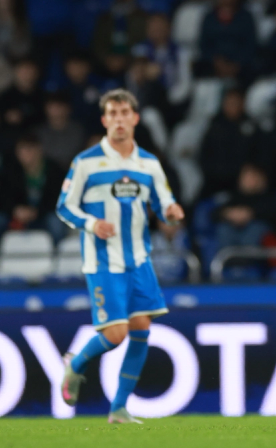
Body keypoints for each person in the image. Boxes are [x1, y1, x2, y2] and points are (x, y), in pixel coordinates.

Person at [56, 89, 185, 424]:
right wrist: (91, 223)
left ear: (135, 118)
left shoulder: (149, 163)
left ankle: (118, 409)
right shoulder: (86, 162)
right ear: (104, 120)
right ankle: (75, 364)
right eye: (112, 113)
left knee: (141, 327)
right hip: (103, 261)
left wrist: (171, 213)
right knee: (116, 334)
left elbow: (163, 205)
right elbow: (64, 206)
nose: (119, 119)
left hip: (139, 259)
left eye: (124, 112)